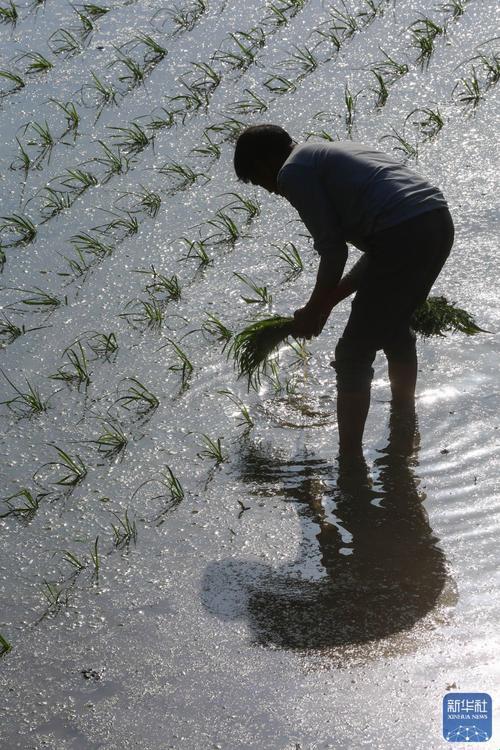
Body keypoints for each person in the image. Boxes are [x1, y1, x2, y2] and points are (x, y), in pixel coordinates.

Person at [233, 124, 455, 456]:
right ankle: (404, 418)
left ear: (265, 162)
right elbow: (380, 252)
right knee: (393, 328)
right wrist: (327, 302)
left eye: (258, 178)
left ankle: (349, 460)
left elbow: (335, 250)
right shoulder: (323, 152)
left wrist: (313, 309)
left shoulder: (293, 172)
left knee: (352, 353)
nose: (268, 189)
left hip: (405, 233)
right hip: (436, 221)